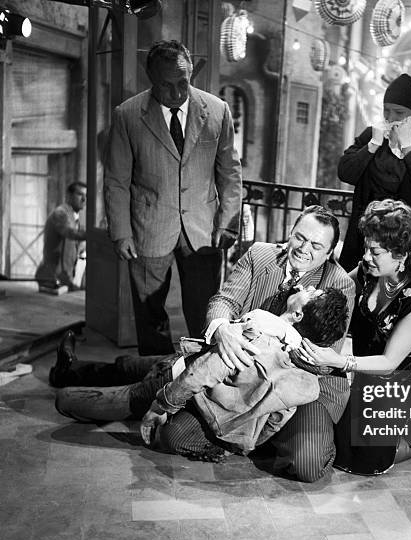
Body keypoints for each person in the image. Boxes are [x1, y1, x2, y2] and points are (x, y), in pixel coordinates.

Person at [160, 205, 355, 481]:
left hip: (303, 388)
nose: (303, 248)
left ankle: (259, 437)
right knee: (173, 434)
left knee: (307, 464)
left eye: (315, 245)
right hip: (240, 378)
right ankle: (247, 437)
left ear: (329, 253)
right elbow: (223, 301)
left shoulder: (339, 284)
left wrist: (280, 334)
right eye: (299, 237)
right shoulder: (259, 254)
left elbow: (322, 359)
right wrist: (223, 330)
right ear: (291, 232)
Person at [51, 286, 348, 459]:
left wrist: (162, 404)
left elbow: (205, 371)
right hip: (182, 364)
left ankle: (65, 392)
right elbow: (272, 423)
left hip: (181, 377)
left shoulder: (261, 327)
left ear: (298, 315)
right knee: (128, 365)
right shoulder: (301, 367)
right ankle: (68, 370)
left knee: (115, 394)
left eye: (312, 292)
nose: (307, 287)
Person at [298, 199, 411, 476]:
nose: (367, 257)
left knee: (367, 461)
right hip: (367, 380)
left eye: (376, 252)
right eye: (366, 247)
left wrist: (338, 360)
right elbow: (337, 290)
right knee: (342, 451)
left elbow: (389, 362)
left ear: (402, 253)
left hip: (406, 384)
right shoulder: (368, 271)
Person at [104, 40, 242, 355]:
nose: (177, 93)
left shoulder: (217, 110)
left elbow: (230, 173)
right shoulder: (127, 115)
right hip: (147, 227)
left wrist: (229, 222)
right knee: (150, 314)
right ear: (150, 77)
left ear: (190, 73)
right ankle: (155, 380)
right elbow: (116, 180)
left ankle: (203, 377)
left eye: (183, 82)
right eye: (167, 85)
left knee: (206, 313)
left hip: (203, 230)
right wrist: (121, 232)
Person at [338, 74, 411, 271]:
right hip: (366, 234)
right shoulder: (371, 135)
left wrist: (410, 147)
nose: (390, 118)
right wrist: (372, 145)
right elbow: (345, 172)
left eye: (399, 112)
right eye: (386, 110)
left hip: (405, 237)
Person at [35, 182, 87, 292]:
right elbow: (70, 233)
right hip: (52, 279)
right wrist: (92, 234)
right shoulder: (61, 213)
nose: (84, 199)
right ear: (69, 195)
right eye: (80, 194)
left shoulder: (74, 217)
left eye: (86, 196)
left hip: (64, 279)